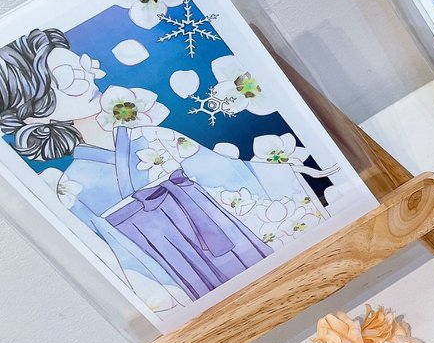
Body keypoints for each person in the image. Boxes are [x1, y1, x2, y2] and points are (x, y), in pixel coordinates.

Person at [0, 28, 308, 306]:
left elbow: (225, 174)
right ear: (32, 114)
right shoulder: (72, 188)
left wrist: (293, 172)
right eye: (67, 78)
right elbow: (116, 258)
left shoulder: (153, 136)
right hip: (170, 264)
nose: (84, 78)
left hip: (221, 228)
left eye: (79, 65)